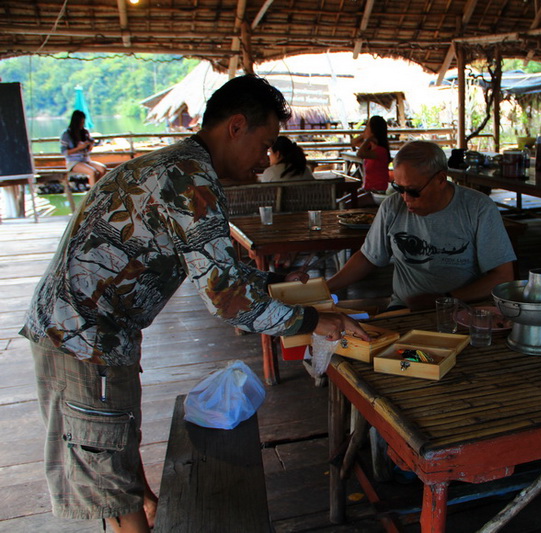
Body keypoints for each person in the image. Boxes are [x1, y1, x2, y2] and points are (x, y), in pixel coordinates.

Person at [20, 75, 367, 533]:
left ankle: (145, 504)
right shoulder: (190, 179)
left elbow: (212, 265)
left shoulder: (182, 166)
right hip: (83, 338)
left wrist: (270, 279)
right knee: (111, 485)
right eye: (265, 145)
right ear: (236, 126)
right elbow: (226, 299)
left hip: (90, 331)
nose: (265, 162)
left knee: (116, 457)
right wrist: (312, 319)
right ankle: (138, 511)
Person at [327, 140, 516, 311]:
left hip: (464, 307)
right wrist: (326, 287)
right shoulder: (392, 207)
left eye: (413, 191)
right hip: (404, 307)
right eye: (399, 189)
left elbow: (503, 277)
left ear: (441, 179)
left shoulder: (477, 208)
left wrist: (446, 299)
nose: (405, 199)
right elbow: (369, 257)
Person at [60, 109, 107, 187]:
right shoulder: (66, 134)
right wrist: (78, 148)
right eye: (81, 122)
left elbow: (88, 150)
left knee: (102, 168)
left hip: (86, 160)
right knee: (92, 171)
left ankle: (98, 188)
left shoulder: (85, 132)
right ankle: (92, 195)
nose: (82, 124)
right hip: (74, 162)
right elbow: (64, 152)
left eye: (83, 122)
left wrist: (90, 144)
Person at [350, 115, 391, 198]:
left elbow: (360, 153)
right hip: (368, 189)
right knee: (345, 200)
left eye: (367, 127)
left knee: (347, 203)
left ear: (373, 130)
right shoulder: (370, 147)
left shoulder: (381, 151)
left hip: (377, 191)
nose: (365, 129)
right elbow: (353, 142)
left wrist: (368, 138)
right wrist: (365, 136)